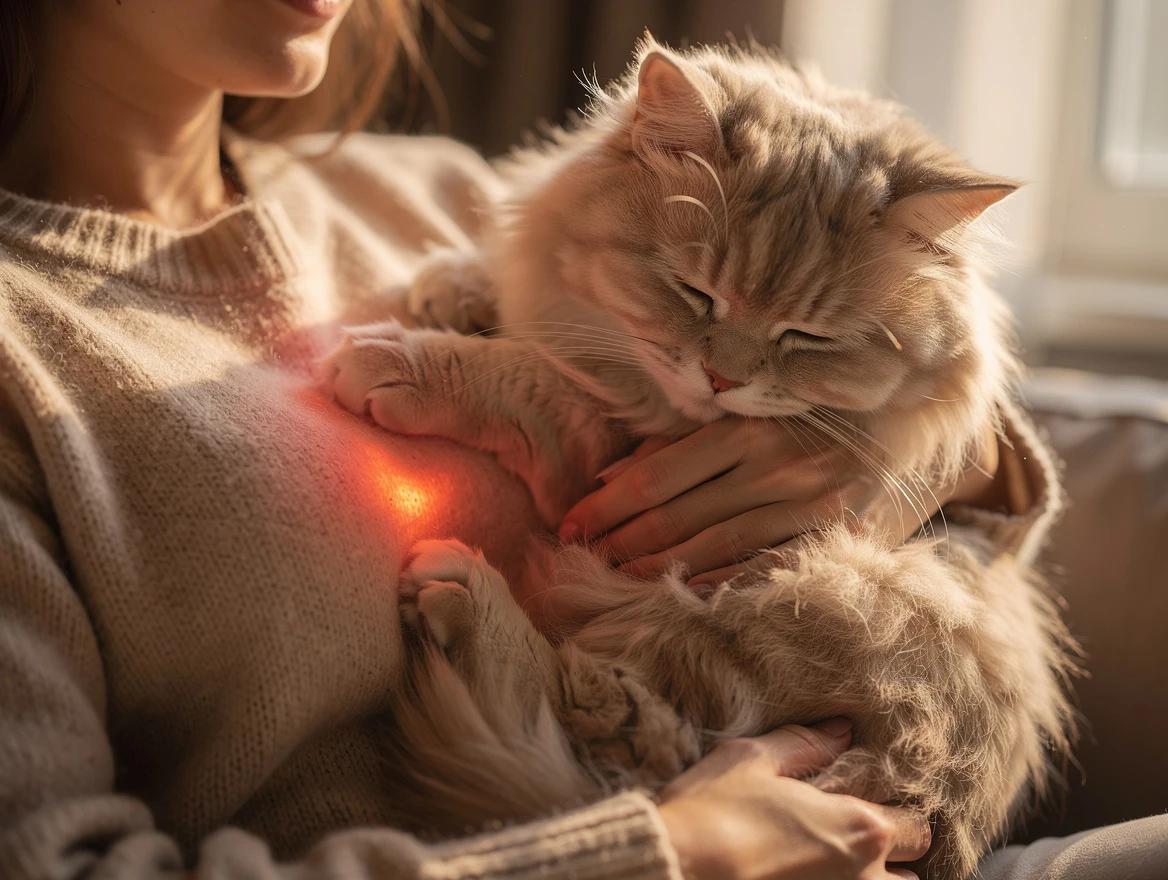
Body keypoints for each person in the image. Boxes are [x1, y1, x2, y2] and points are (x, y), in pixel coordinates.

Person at [0, 2, 1151, 879]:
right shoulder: (24, 344)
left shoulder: (434, 196)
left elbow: (968, 477)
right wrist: (664, 851)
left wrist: (881, 465)